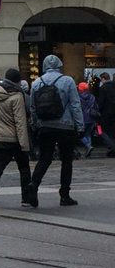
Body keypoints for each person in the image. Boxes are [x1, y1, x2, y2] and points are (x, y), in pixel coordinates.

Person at [29, 54, 83, 207]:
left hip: (45, 127)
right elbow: (75, 105)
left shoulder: (37, 83)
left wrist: (36, 124)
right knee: (67, 160)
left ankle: (34, 184)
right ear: (60, 65)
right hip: (65, 126)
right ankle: (64, 195)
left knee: (44, 159)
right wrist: (80, 126)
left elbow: (33, 108)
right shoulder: (68, 81)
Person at [0, 67, 33, 207]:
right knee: (24, 169)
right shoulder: (17, 96)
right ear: (18, 81)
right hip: (14, 139)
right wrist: (25, 145)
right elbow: (20, 122)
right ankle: (26, 199)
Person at [98, 72, 115, 158]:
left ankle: (112, 147)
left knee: (102, 131)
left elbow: (101, 102)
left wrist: (98, 112)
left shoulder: (103, 88)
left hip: (106, 114)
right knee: (112, 132)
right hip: (113, 114)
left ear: (103, 79)